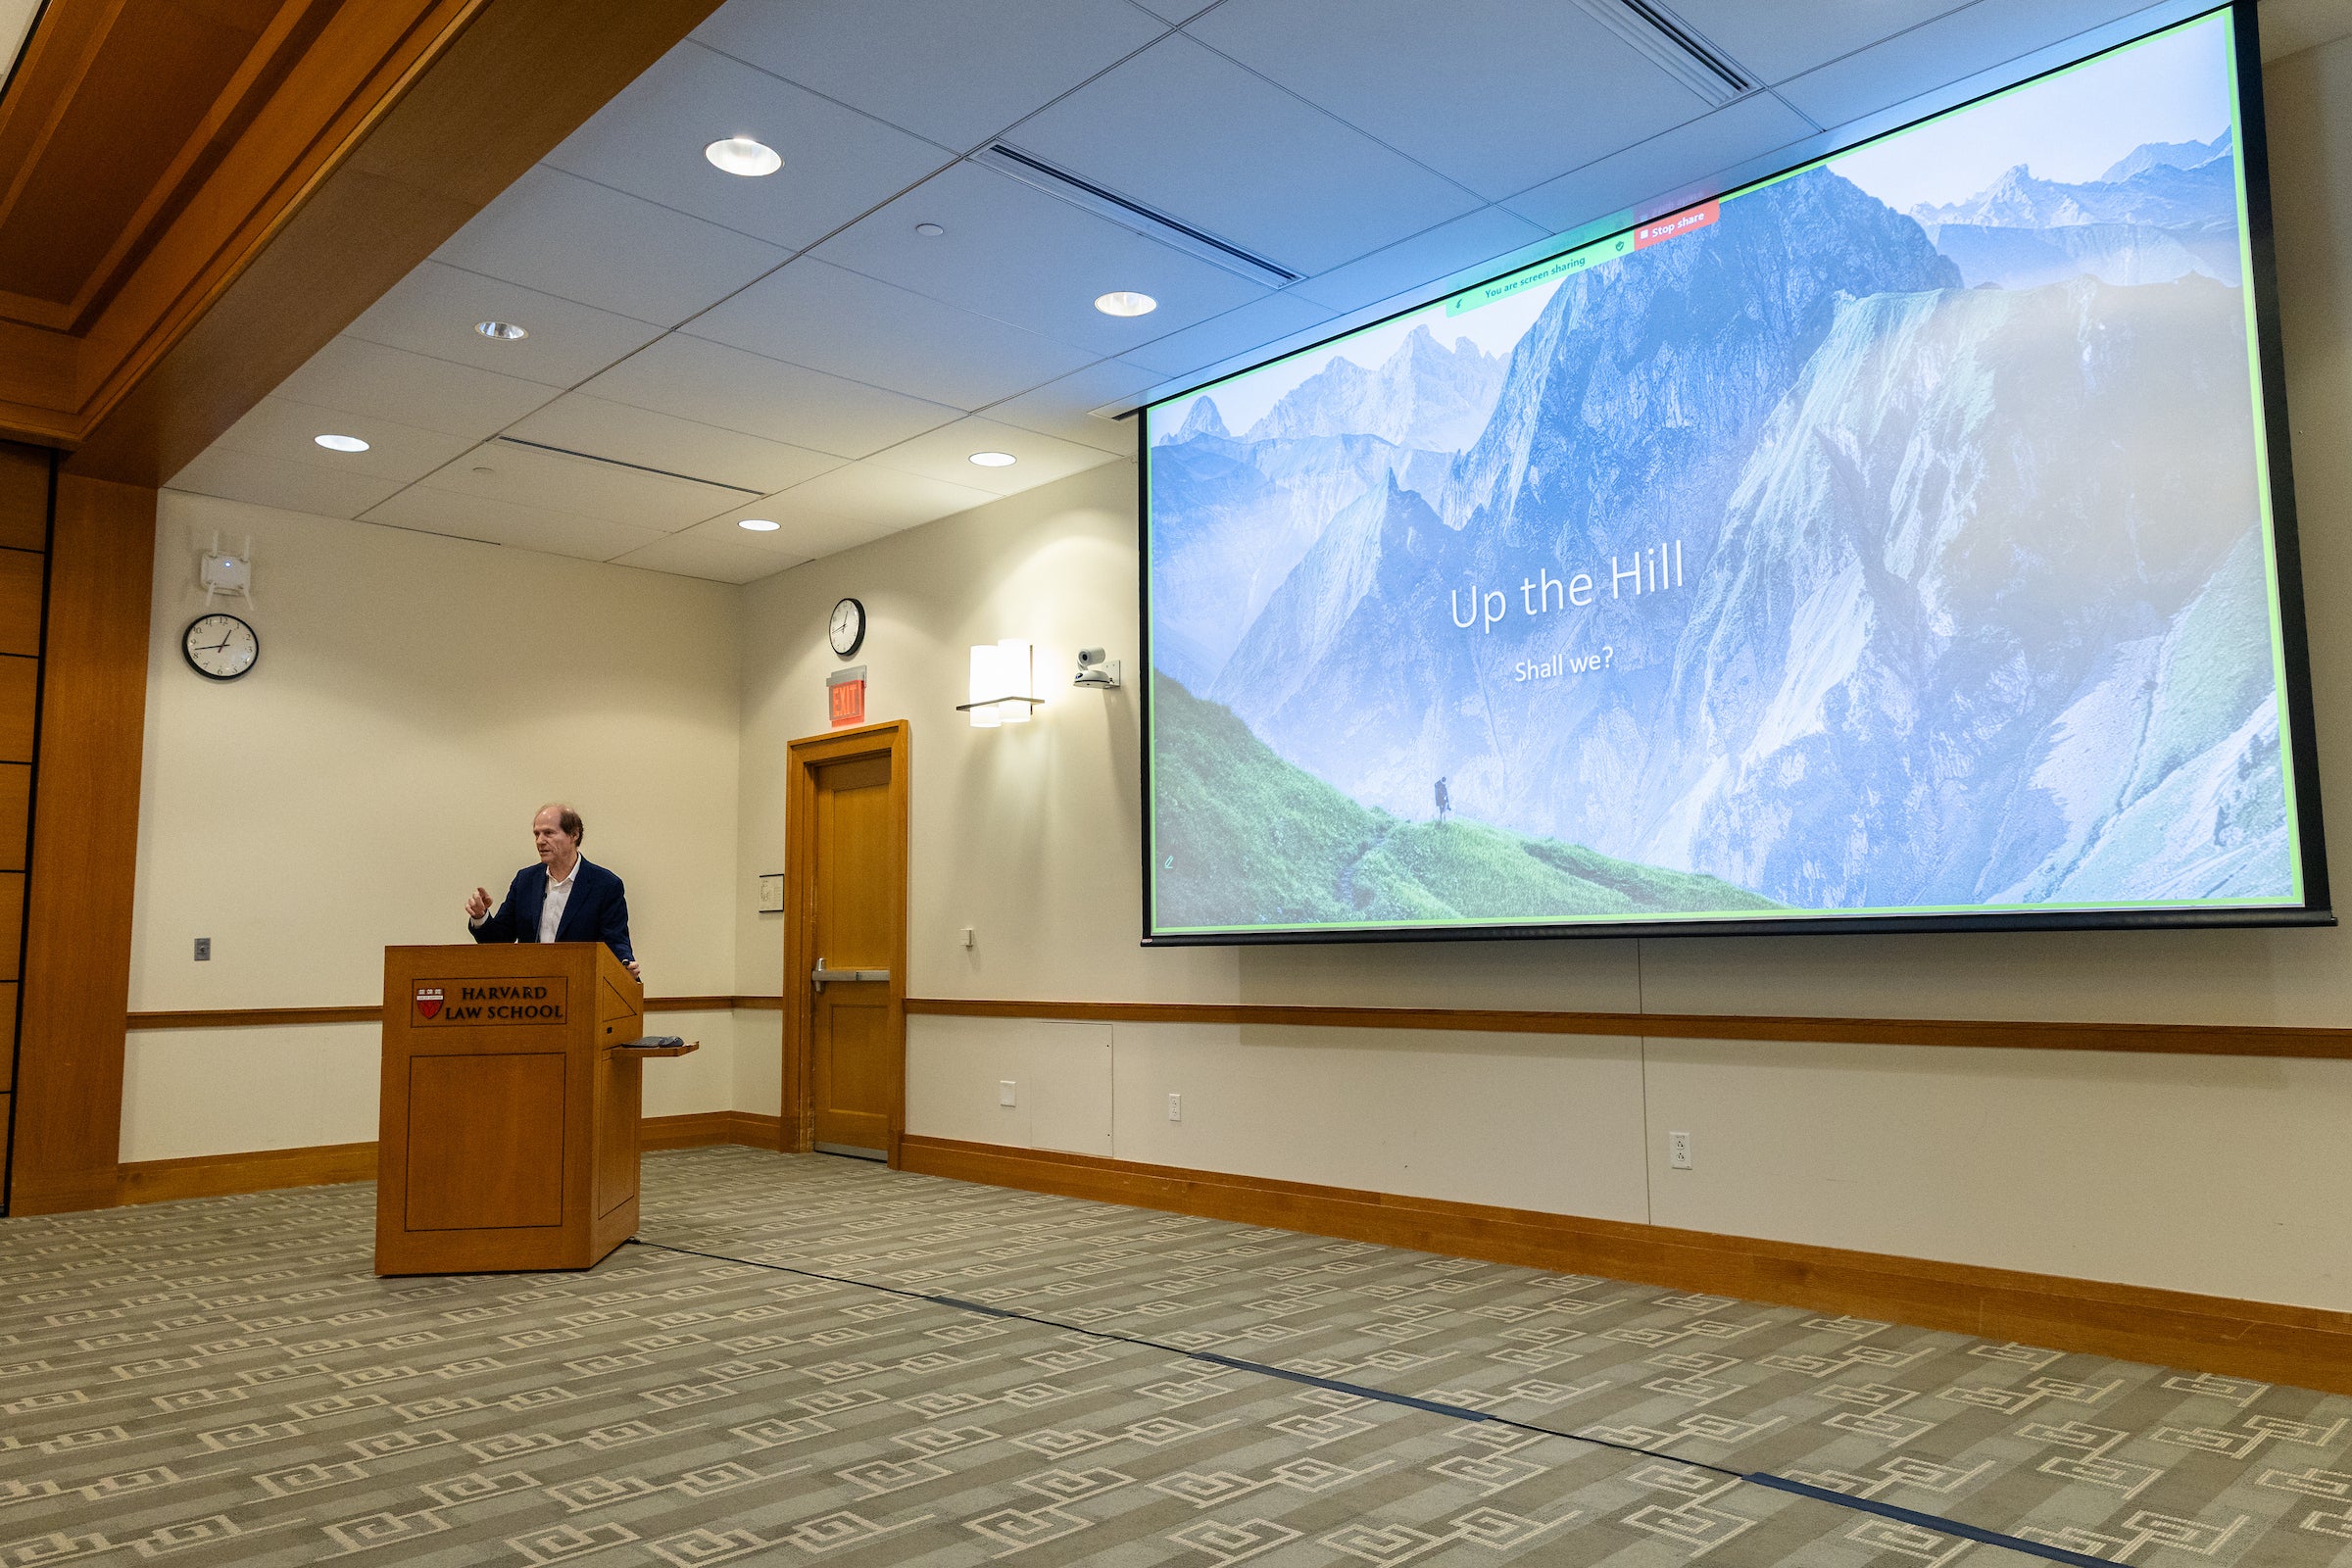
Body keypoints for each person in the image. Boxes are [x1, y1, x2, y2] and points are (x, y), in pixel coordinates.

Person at [466, 803, 639, 979]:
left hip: (580, 984)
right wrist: (480, 917)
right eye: (536, 834)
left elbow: (615, 941)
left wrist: (625, 965)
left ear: (573, 835)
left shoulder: (605, 885)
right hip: (532, 989)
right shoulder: (525, 880)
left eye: (548, 833)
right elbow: (500, 941)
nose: (540, 841)